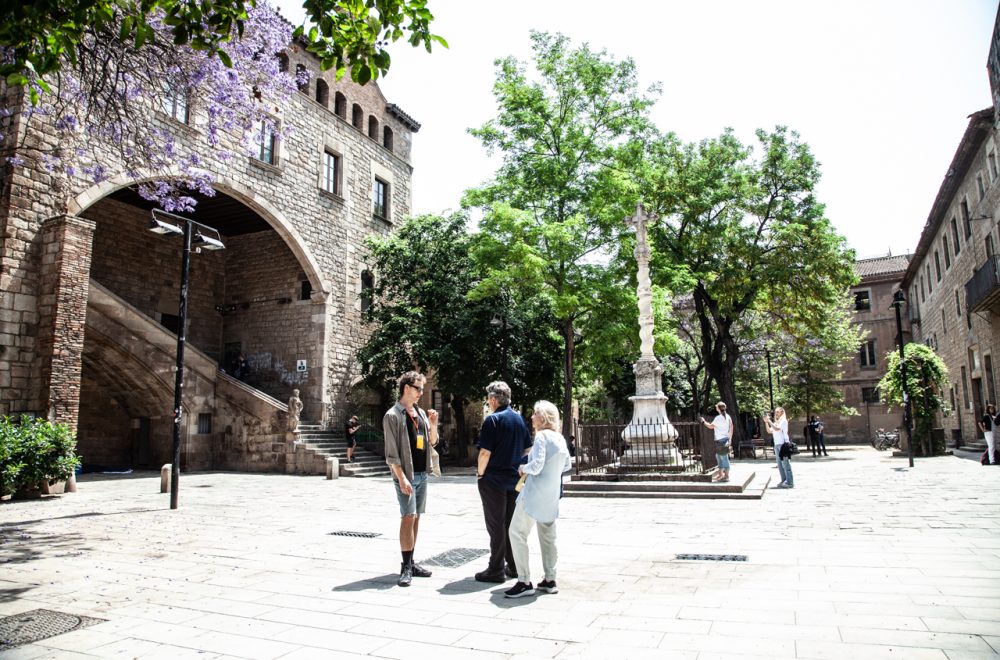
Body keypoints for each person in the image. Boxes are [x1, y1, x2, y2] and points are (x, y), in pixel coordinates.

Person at [505, 400, 572, 598]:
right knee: (548, 537)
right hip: (551, 496)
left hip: (534, 494)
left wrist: (524, 468)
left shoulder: (542, 436)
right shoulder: (559, 438)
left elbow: (537, 465)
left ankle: (524, 580)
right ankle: (550, 579)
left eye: (535, 414)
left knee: (516, 532)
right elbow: (567, 465)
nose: (532, 417)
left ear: (543, 418)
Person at [383, 371, 439, 587]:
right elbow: (391, 454)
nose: (421, 393)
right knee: (408, 516)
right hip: (405, 475)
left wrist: (433, 424)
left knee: (416, 517)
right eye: (418, 389)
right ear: (406, 388)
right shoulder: (393, 415)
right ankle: (405, 566)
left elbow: (432, 441)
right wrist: (402, 479)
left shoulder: (421, 413)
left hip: (422, 473)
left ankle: (412, 562)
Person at [475, 380, 532, 583]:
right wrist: (519, 466)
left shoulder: (493, 420)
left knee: (496, 525)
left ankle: (496, 568)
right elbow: (527, 449)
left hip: (494, 480)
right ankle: (514, 566)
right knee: (510, 524)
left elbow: (484, 452)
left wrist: (480, 474)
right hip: (514, 480)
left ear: (493, 399)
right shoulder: (519, 420)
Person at [701, 401, 733, 483]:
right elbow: (731, 426)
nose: (716, 408)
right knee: (719, 457)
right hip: (724, 439)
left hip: (721, 441)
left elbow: (711, 426)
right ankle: (721, 474)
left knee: (724, 458)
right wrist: (730, 438)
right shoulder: (728, 416)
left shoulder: (718, 418)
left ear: (718, 408)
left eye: (716, 407)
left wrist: (703, 421)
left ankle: (727, 476)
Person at [764, 407, 793, 488]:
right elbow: (769, 431)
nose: (776, 414)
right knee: (780, 464)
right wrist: (766, 422)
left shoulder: (783, 421)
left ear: (782, 412)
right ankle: (784, 480)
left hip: (783, 444)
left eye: (778, 412)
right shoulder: (776, 422)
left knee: (785, 464)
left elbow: (777, 429)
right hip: (776, 444)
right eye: (775, 412)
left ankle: (790, 482)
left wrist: (769, 421)